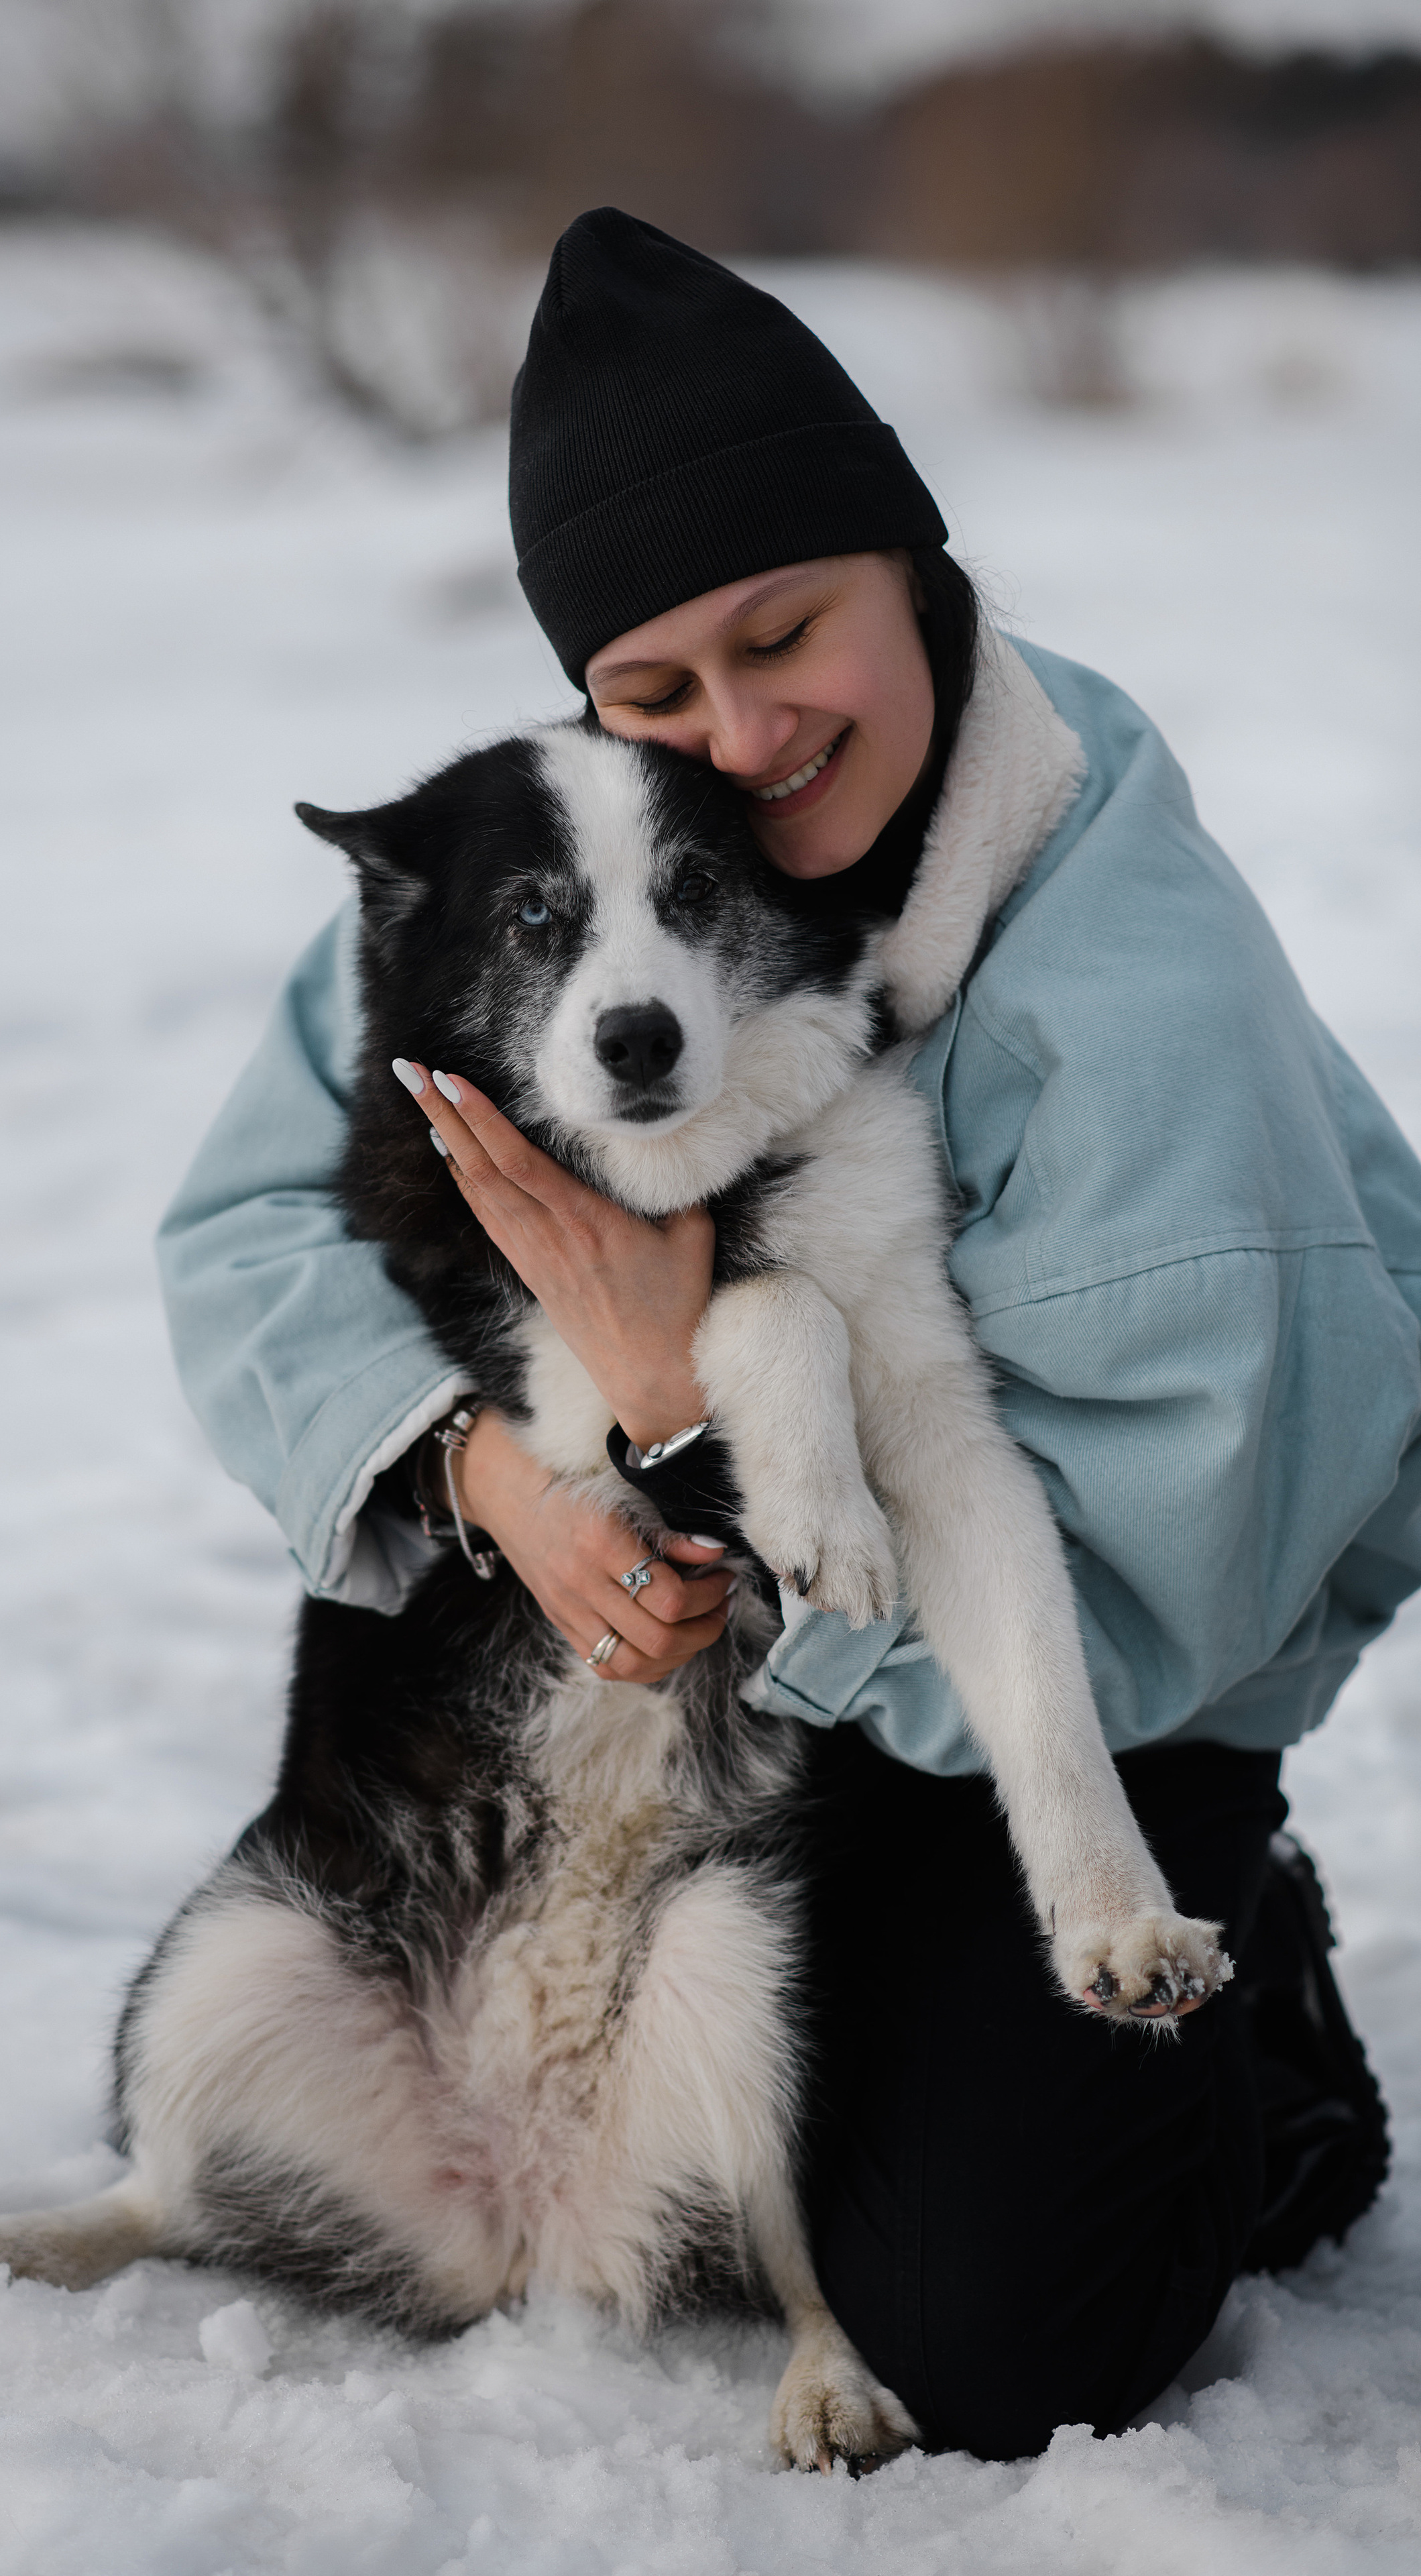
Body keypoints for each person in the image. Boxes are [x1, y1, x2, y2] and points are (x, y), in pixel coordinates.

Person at [156, 210, 1414, 2459]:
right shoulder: (623, 842)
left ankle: (1270, 2052)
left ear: (910, 566)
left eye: (788, 628)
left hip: (1101, 1682)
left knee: (995, 2339)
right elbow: (257, 1213)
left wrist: (677, 1422)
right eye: (653, 691)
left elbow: (1180, 1574)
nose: (738, 734)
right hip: (769, 1645)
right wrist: (487, 1472)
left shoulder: (1142, 986)